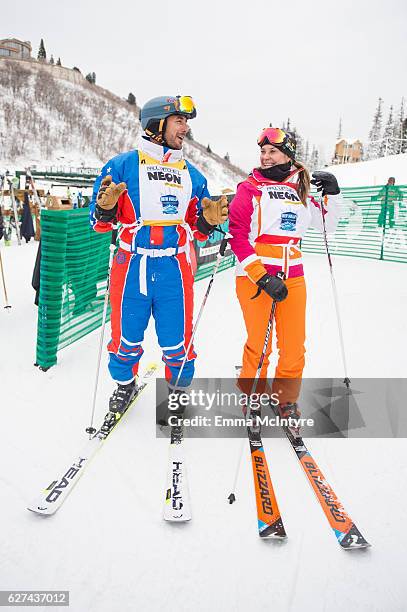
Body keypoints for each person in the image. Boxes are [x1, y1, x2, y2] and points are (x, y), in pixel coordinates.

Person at [89, 95, 228, 417]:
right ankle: (124, 385)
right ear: (157, 124)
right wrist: (103, 210)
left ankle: (178, 393)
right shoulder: (122, 165)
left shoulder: (193, 174)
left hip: (175, 267)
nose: (185, 129)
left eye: (186, 122)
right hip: (132, 265)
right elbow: (96, 225)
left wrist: (207, 221)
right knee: (126, 336)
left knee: (177, 338)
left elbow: (201, 229)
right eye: (179, 121)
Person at [229, 127, 342, 423]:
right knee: (259, 344)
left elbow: (327, 225)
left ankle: (286, 400)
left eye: (273, 152)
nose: (265, 158)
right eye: (263, 152)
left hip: (293, 275)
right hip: (256, 278)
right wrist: (261, 276)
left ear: (287, 155)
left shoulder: (299, 190)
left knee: (293, 345)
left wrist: (332, 193)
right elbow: (237, 236)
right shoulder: (249, 187)